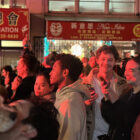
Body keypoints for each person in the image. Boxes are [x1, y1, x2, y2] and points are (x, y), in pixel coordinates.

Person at [83, 45, 128, 140]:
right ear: (97, 60)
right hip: (92, 133)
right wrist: (85, 104)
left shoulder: (123, 84)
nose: (106, 63)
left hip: (115, 134)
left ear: (115, 61)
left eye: (110, 60)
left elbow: (125, 111)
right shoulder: (85, 83)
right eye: (103, 59)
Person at [49, 53, 91, 140]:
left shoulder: (69, 103)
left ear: (65, 72)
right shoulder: (64, 96)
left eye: (54, 69)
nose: (50, 73)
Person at [101, 56, 140, 140]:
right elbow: (113, 118)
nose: (126, 73)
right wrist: (107, 97)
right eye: (125, 69)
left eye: (131, 70)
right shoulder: (126, 93)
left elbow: (127, 120)